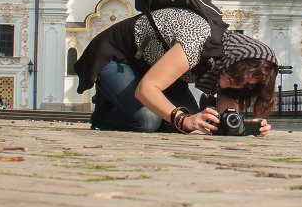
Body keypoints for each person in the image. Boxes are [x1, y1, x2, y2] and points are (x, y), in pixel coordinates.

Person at [75, 7, 277, 135]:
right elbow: (146, 89)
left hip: (155, 69)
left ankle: (124, 101)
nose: (226, 84)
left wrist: (239, 126)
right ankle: (104, 113)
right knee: (148, 120)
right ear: (231, 61)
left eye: (240, 86)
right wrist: (183, 119)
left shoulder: (227, 63)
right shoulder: (197, 40)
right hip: (118, 58)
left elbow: (227, 97)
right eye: (231, 79)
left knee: (191, 121)